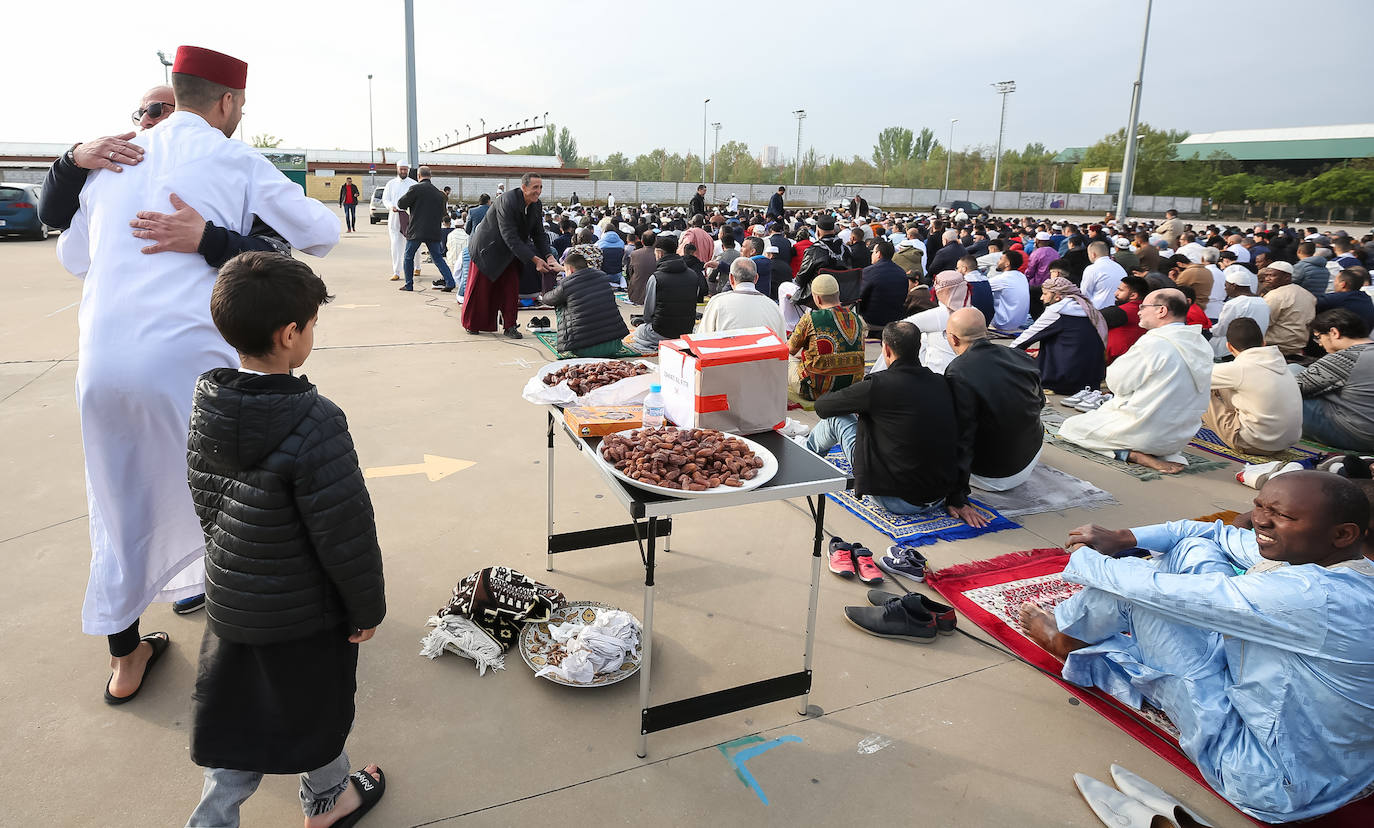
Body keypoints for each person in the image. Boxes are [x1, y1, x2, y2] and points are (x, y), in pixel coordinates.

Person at [55, 45, 339, 704]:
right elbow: (320, 234)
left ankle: (126, 661)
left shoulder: (116, 160)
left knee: (117, 502)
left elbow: (74, 256)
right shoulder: (234, 157)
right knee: (235, 507)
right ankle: (252, 657)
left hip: (100, 366)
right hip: (190, 366)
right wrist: (214, 236)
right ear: (229, 102)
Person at [1020, 473, 1374, 823]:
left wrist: (1087, 557)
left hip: (1268, 778)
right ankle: (1080, 631)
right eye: (1259, 505)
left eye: (1282, 515)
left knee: (1133, 592)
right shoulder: (1344, 565)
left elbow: (1150, 590)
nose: (1260, 520)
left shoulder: (1316, 597)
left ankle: (1064, 639)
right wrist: (1124, 537)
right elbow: (1213, 533)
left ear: (1343, 534)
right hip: (1346, 770)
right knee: (1192, 549)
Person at [185, 252, 386, 828]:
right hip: (305, 613)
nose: (313, 334)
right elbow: (344, 530)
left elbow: (205, 500)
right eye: (312, 324)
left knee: (236, 717)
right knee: (315, 707)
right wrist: (366, 606)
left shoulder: (207, 404)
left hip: (233, 600)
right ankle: (328, 801)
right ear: (289, 333)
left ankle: (215, 819)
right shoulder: (316, 419)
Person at [807, 321, 958, 517]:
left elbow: (823, 407)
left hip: (895, 499)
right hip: (939, 495)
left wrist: (858, 406)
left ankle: (807, 459)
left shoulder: (878, 385)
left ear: (886, 349)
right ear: (919, 348)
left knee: (837, 419)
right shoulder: (940, 382)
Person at [1057, 290, 1214, 474]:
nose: (1139, 311)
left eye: (1143, 307)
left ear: (1161, 311)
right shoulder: (1202, 344)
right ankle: (1155, 451)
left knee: (1071, 427)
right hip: (1178, 439)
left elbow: (1117, 383)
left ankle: (1131, 454)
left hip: (1144, 434)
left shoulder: (1155, 343)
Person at [945, 308, 1045, 525]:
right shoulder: (1019, 356)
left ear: (953, 338)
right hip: (1030, 458)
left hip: (993, 476)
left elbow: (962, 437)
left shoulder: (958, 370)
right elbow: (1040, 403)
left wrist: (957, 497)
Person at [462, 173, 557, 339]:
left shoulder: (536, 205)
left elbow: (539, 234)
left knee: (511, 289)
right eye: (535, 187)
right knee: (481, 289)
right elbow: (509, 235)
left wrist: (549, 256)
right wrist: (535, 260)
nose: (538, 191)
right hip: (488, 248)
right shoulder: (507, 200)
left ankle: (510, 325)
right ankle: (473, 323)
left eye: (541, 187)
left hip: (512, 251)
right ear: (524, 187)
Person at [1205, 318, 1303, 455]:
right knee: (1221, 381)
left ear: (1229, 347)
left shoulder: (1240, 369)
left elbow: (1194, 377)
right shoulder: (1281, 365)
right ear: (1263, 343)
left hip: (1252, 444)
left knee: (1196, 387)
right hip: (1285, 443)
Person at [1013, 275, 1108, 394]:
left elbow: (1026, 338)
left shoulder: (1057, 310)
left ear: (1057, 297)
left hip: (1064, 380)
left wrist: (1003, 354)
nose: (1042, 298)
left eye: (1045, 294)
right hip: (1091, 379)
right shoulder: (1088, 308)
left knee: (1020, 366)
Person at [1297, 309, 1374, 451]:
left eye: (1318, 337)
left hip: (1358, 434)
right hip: (1366, 425)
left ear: (1334, 333)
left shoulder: (1347, 357)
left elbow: (1294, 387)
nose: (1319, 344)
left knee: (1289, 375)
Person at [536, 252, 630, 357]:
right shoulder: (602, 277)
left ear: (570, 270)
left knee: (561, 303)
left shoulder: (567, 284)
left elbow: (547, 299)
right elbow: (577, 272)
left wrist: (547, 278)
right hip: (614, 345)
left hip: (584, 349)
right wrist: (564, 268)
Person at [788, 274, 865, 401]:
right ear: (838, 294)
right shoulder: (857, 319)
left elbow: (789, 350)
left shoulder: (810, 318)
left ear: (817, 298)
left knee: (785, 359)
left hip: (814, 391)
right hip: (852, 388)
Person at [624, 235, 704, 354]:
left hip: (661, 332)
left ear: (659, 253)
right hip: (686, 330)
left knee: (639, 330)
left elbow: (648, 315)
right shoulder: (693, 275)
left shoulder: (656, 278)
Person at [396, 166, 456, 292]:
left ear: (418, 176)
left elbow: (401, 204)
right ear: (430, 176)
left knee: (408, 257)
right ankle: (450, 282)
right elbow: (443, 213)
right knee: (437, 257)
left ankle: (409, 284)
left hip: (416, 230)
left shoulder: (415, 189)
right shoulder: (439, 193)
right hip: (433, 230)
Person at [697, 257, 785, 337]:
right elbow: (782, 343)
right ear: (756, 278)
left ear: (731, 278)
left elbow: (702, 338)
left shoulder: (717, 303)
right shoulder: (773, 306)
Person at [1260, 261, 1318, 360]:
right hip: (1299, 346)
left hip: (1277, 347)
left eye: (1272, 275)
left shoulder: (1276, 295)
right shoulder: (1307, 294)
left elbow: (1263, 322)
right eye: (1266, 275)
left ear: (1287, 277)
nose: (1267, 279)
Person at [857, 239, 908, 334]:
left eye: (873, 252)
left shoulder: (868, 271)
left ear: (879, 254)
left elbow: (860, 296)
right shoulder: (901, 272)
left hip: (872, 321)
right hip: (895, 319)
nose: (871, 255)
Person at [1101, 274, 1148, 364]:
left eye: (1121, 290)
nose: (1116, 293)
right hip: (1137, 359)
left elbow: (1092, 317)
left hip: (1115, 361)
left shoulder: (1122, 311)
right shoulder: (1148, 310)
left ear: (1133, 295)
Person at [382, 162, 417, 282]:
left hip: (409, 217)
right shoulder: (391, 184)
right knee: (395, 244)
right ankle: (396, 271)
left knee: (413, 243)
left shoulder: (413, 184)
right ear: (397, 169)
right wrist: (391, 206)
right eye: (401, 169)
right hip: (395, 216)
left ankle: (417, 266)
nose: (403, 171)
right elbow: (385, 199)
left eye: (405, 169)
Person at [988, 249, 1030, 333]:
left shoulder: (1002, 279)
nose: (998, 262)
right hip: (1020, 321)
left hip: (1003, 323)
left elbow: (980, 287)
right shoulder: (1022, 276)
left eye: (1000, 259)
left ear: (1007, 264)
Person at [1080, 241, 1127, 309]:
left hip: (1098, 310)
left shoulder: (1092, 269)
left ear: (1093, 254)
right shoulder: (1119, 267)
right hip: (1118, 308)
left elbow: (1085, 294)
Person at [626, 228, 657, 304]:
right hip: (654, 294)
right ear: (655, 242)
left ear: (642, 242)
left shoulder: (634, 254)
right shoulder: (659, 255)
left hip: (636, 293)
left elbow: (630, 272)